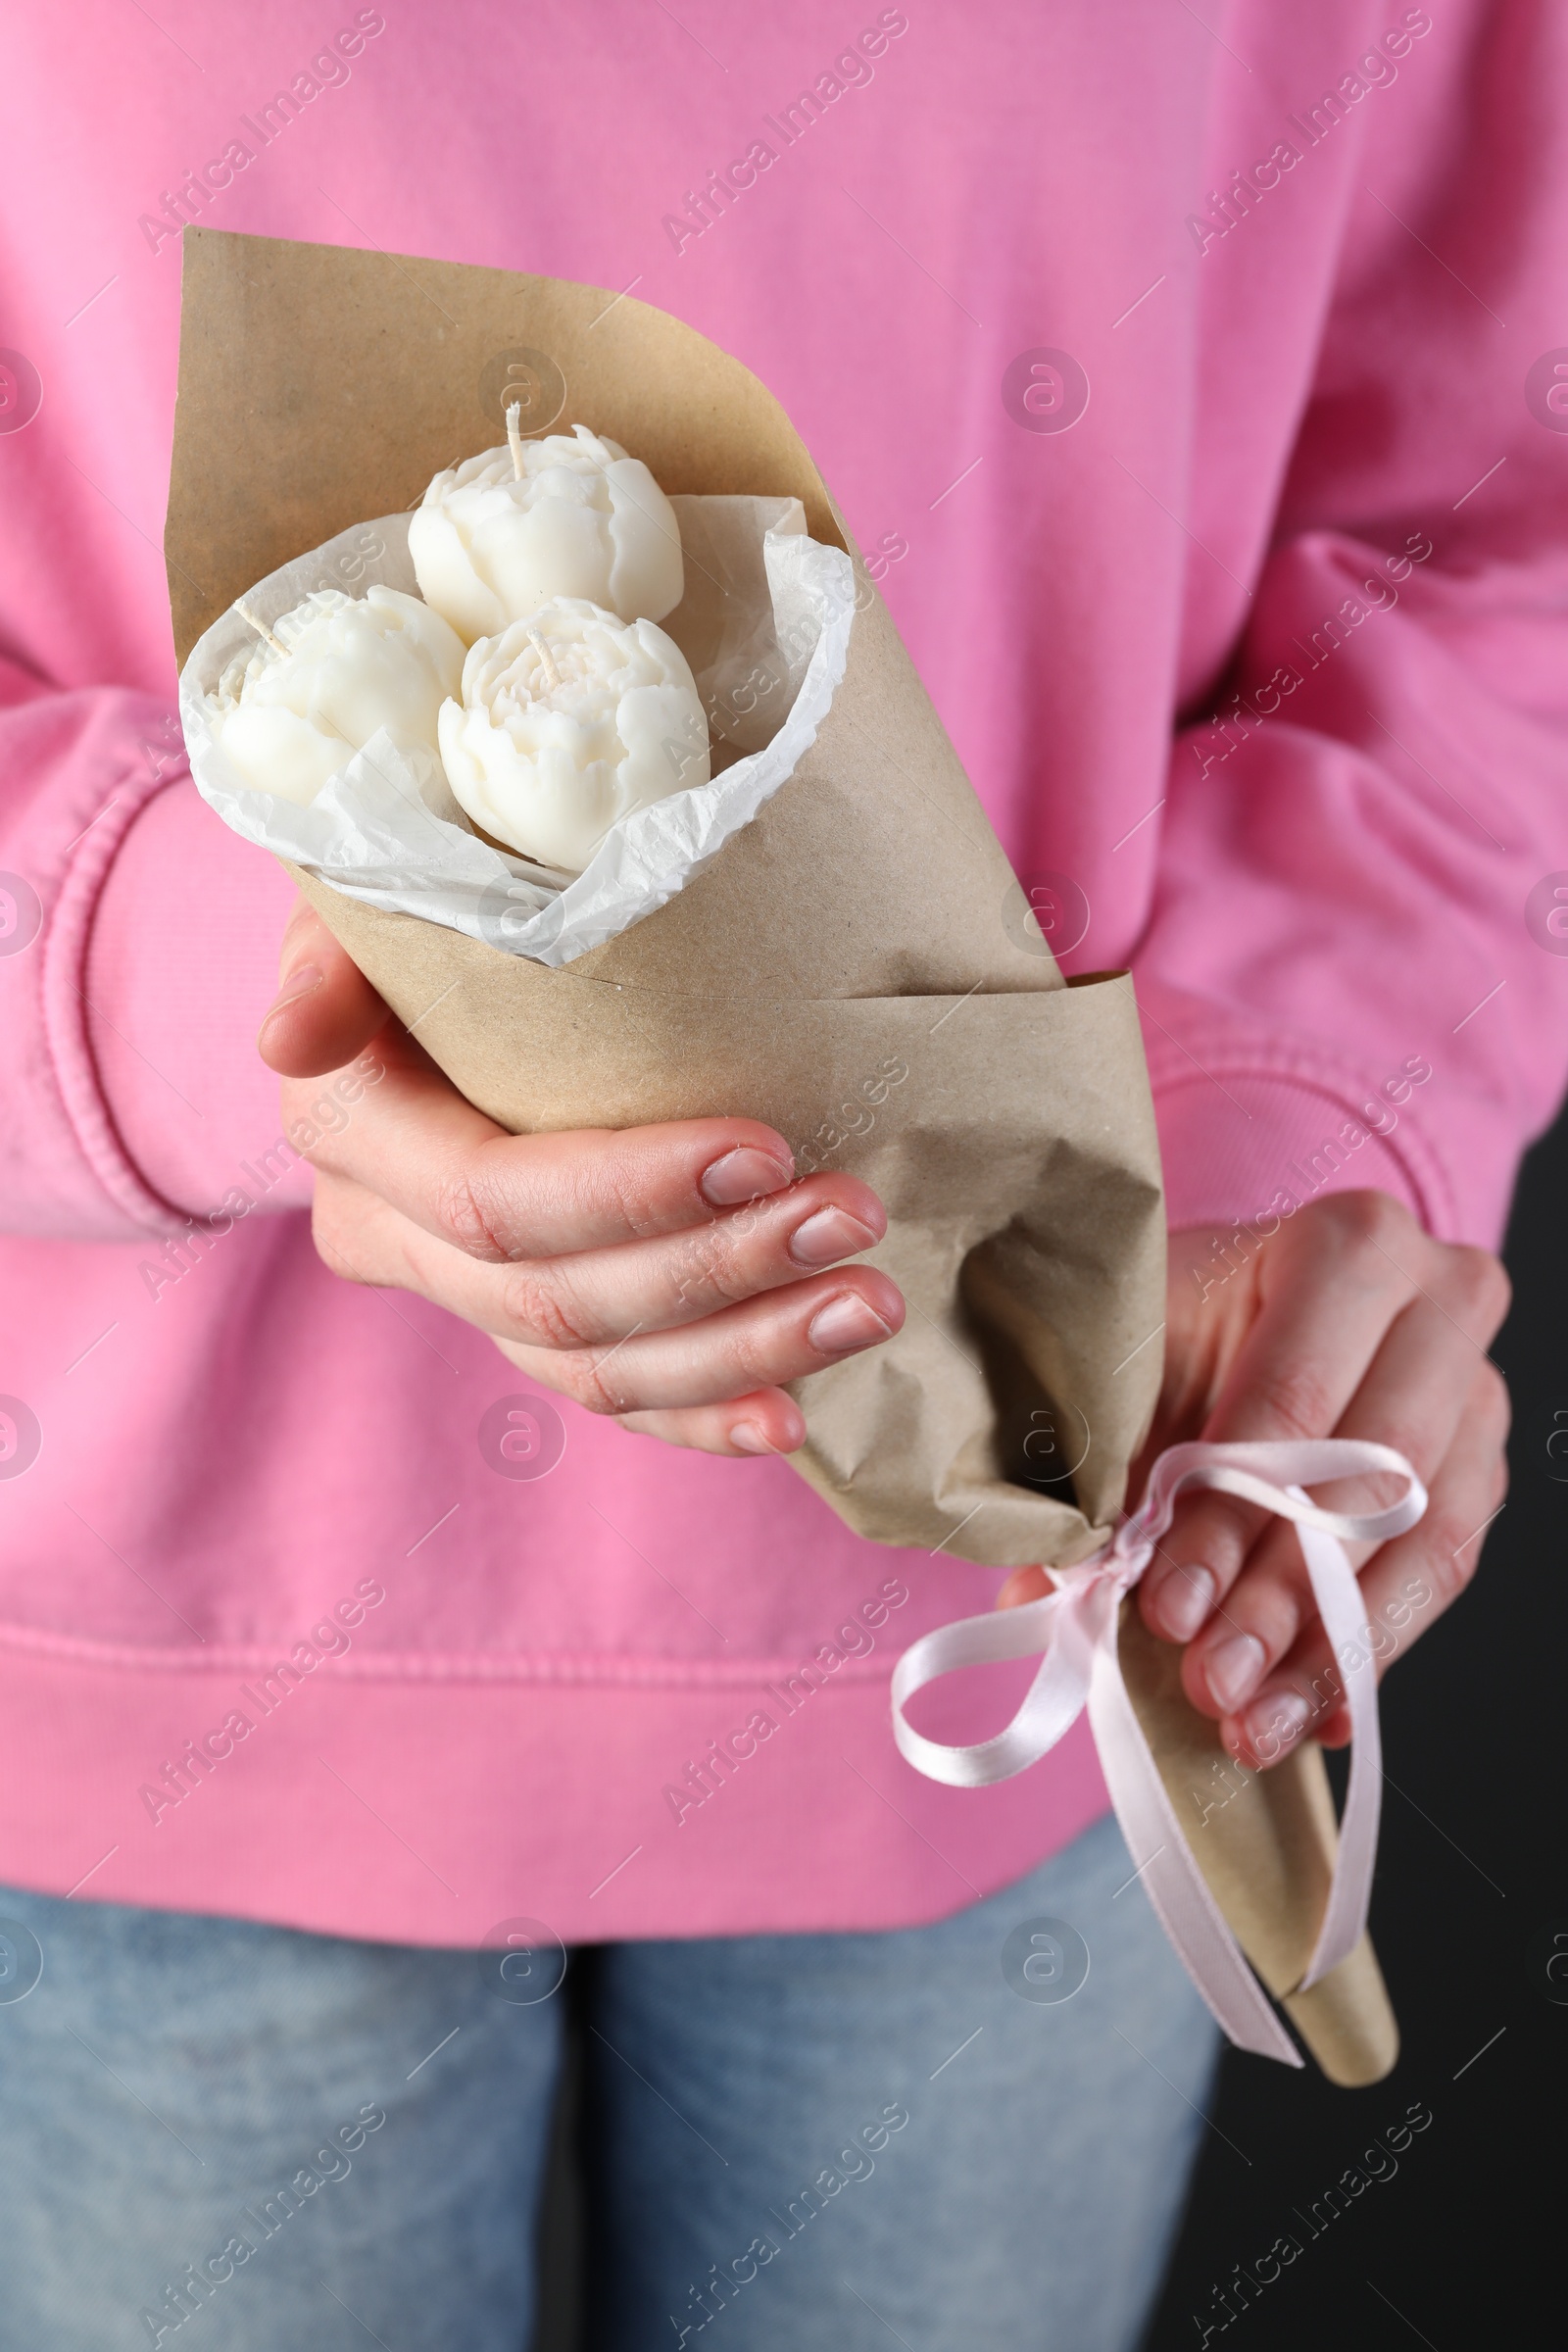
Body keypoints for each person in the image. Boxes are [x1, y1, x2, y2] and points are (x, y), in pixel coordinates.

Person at [0, 5, 1555, 2345]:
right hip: (154, 1629)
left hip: (1034, 1569)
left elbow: (1483, 496)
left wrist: (1273, 1131)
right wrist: (234, 975)